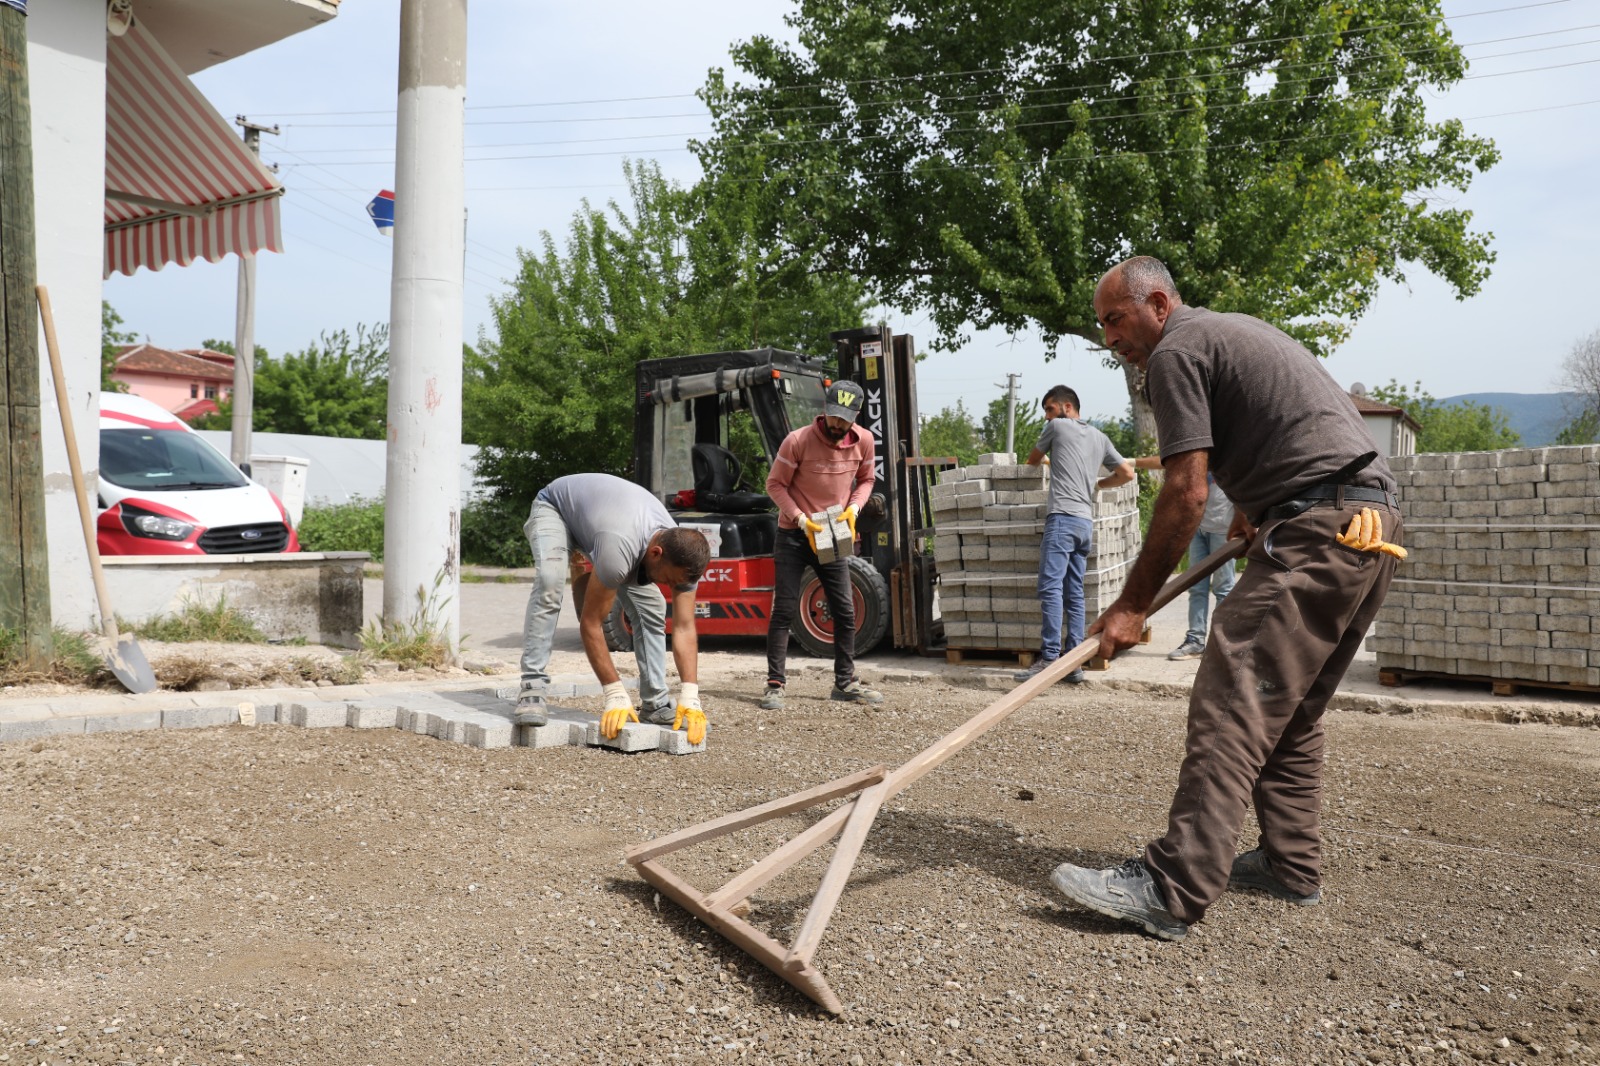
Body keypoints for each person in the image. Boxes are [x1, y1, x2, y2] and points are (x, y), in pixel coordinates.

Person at [1049, 256, 1405, 942]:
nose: (1110, 338)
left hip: (1318, 529)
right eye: (1102, 326)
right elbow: (1281, 426)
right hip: (1368, 524)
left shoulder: (1175, 353)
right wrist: (1253, 508)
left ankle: (1171, 886)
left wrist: (1130, 607)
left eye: (1116, 319)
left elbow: (1185, 491)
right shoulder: (1225, 333)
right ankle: (1289, 864)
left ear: (1158, 303)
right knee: (1287, 709)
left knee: (1232, 695)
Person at [516, 472, 712, 745]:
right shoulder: (620, 548)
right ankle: (532, 686)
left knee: (653, 605)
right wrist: (614, 692)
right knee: (550, 582)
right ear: (656, 554)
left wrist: (690, 695)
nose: (670, 587)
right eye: (669, 580)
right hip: (555, 507)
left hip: (606, 524)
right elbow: (591, 623)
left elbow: (684, 628)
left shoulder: (683, 557)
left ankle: (655, 704)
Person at [759, 380, 883, 710]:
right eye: (833, 416)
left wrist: (854, 509)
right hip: (794, 533)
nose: (837, 424)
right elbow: (774, 484)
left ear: (856, 416)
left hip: (832, 531)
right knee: (784, 609)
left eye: (845, 419)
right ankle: (775, 684)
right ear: (825, 409)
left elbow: (867, 480)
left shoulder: (864, 441)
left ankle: (845, 682)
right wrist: (800, 519)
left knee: (844, 610)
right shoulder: (797, 441)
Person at [1012, 385, 1135, 685]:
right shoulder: (1100, 437)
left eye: (1050, 409)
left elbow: (1032, 460)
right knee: (1075, 592)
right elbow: (1127, 473)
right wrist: (1098, 485)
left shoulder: (1057, 428)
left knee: (1050, 588)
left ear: (1067, 407)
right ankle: (1075, 663)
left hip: (1062, 520)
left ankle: (1050, 659)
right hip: (1084, 523)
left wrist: (1045, 462)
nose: (1046, 417)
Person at [1131, 457, 1238, 660]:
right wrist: (1132, 462)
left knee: (1224, 588)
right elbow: (1166, 460)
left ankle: (1220, 644)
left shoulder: (1229, 454)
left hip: (1224, 530)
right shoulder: (1197, 455)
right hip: (1198, 528)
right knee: (1196, 587)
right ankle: (1195, 641)